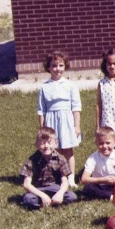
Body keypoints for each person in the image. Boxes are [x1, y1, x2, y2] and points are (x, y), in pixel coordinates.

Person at [37, 50, 82, 187]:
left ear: (65, 66)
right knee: (53, 151)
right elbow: (41, 110)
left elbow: (76, 107)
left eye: (61, 65)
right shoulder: (44, 87)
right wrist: (42, 128)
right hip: (51, 121)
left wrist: (77, 125)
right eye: (54, 65)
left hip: (66, 121)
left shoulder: (70, 85)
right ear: (49, 68)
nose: (58, 69)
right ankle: (56, 176)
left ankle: (71, 177)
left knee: (67, 149)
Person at [20, 127, 78, 209]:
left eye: (49, 142)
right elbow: (27, 185)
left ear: (56, 143)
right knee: (29, 199)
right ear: (36, 144)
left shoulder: (61, 159)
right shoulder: (31, 161)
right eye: (42, 143)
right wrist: (43, 195)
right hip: (38, 189)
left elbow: (65, 182)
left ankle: (53, 200)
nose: (46, 146)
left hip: (55, 188)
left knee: (72, 197)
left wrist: (60, 193)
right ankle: (46, 201)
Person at [81, 127, 115, 200]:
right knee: (88, 188)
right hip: (99, 185)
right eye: (101, 143)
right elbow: (84, 179)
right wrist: (102, 180)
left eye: (108, 143)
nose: (104, 146)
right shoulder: (93, 158)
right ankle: (110, 196)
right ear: (96, 143)